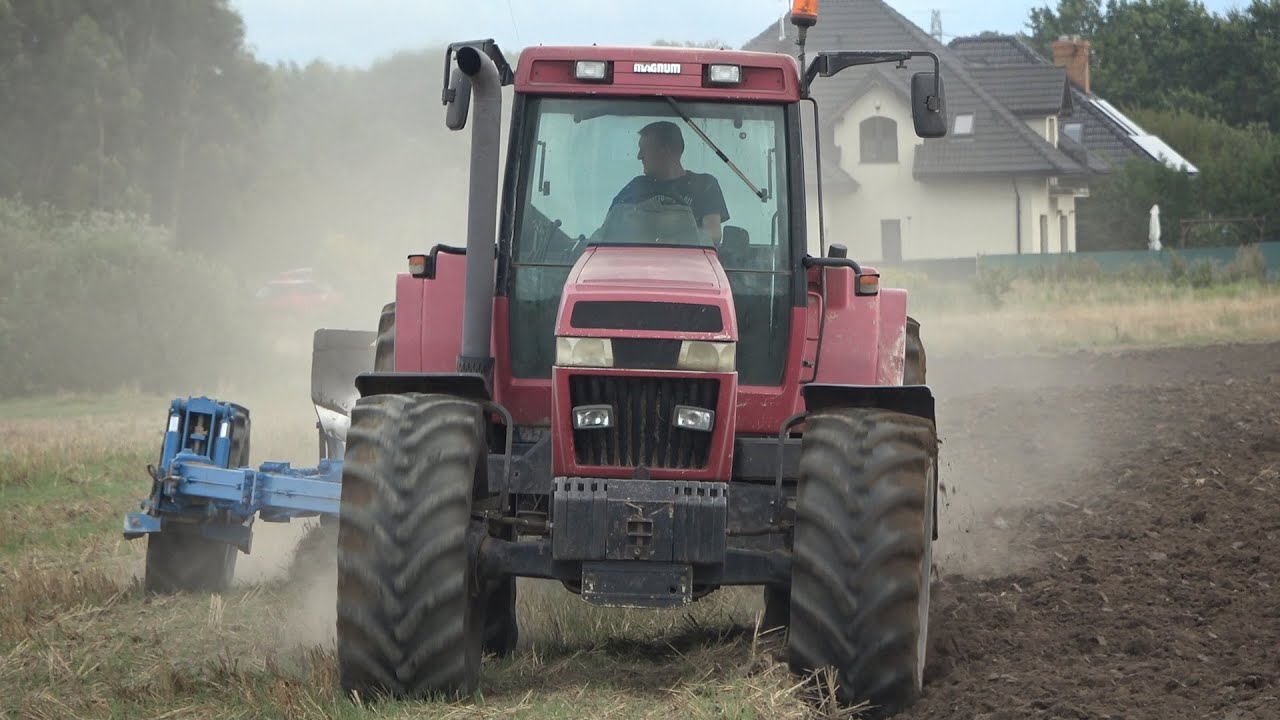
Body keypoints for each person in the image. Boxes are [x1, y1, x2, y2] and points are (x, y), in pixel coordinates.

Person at [602, 120, 730, 244]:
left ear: (664, 151)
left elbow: (713, 235)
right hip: (637, 262)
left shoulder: (704, 185)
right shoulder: (635, 187)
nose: (639, 156)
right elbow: (606, 232)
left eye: (643, 150)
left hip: (690, 263)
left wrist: (668, 240)